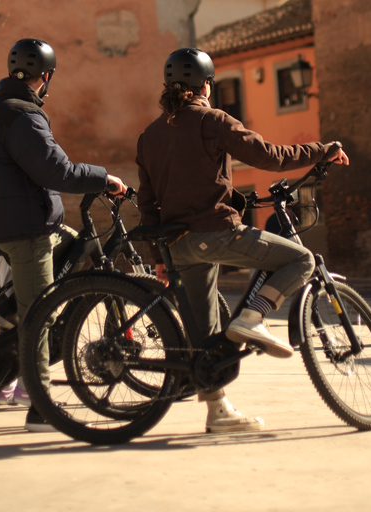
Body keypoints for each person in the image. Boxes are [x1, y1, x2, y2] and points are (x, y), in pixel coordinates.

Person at [136, 47, 349, 433]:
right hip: (214, 234)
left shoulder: (149, 135)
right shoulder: (212, 120)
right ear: (206, 84)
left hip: (178, 245)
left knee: (206, 338)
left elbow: (148, 203)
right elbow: (267, 156)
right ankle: (253, 317)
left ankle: (218, 412)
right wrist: (322, 150)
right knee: (301, 260)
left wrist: (159, 257)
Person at [0, 38, 126, 431]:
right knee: (38, 314)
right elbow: (58, 171)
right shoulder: (24, 116)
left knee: (71, 241)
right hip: (24, 228)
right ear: (47, 77)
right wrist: (103, 178)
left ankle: (7, 312)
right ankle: (40, 408)